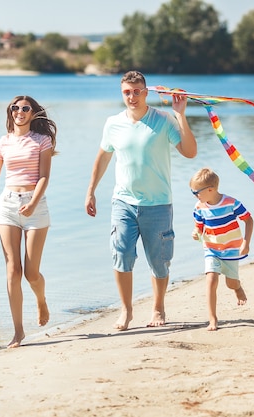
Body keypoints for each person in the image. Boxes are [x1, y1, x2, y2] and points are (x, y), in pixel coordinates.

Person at [85, 70, 197, 331]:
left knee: (159, 261)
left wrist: (181, 114)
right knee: (121, 254)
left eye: (137, 91)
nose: (132, 96)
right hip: (123, 202)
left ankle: (158, 306)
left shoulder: (163, 119)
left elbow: (190, 152)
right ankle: (126, 310)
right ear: (121, 93)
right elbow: (103, 158)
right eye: (127, 92)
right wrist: (91, 190)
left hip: (158, 203)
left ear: (146, 92)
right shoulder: (113, 123)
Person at [0, 95, 57, 348]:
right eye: (15, 108)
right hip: (7, 205)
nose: (19, 111)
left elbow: (44, 177)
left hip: (35, 205)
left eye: (25, 108)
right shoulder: (2, 143)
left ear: (32, 113)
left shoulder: (42, 140)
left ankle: (41, 300)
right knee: (12, 269)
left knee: (31, 273)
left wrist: (32, 203)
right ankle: (18, 332)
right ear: (10, 112)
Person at [189, 168, 254, 331]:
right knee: (211, 279)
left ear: (210, 189)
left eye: (196, 192)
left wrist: (246, 242)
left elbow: (248, 220)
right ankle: (212, 318)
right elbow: (199, 226)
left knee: (231, 283)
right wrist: (196, 233)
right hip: (211, 248)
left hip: (232, 248)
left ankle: (237, 287)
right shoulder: (199, 207)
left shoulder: (231, 203)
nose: (195, 195)